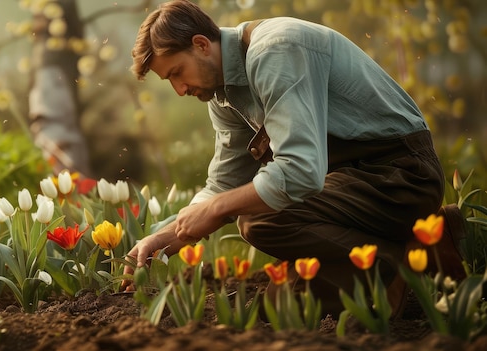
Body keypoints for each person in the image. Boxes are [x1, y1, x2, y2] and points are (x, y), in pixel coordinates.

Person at [122, 0, 465, 318]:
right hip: (351, 185)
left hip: (400, 176)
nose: (180, 90)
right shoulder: (221, 92)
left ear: (200, 44)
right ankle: (428, 245)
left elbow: (300, 172)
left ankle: (406, 262)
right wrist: (166, 238)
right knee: (282, 301)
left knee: (261, 221)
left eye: (177, 73)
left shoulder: (275, 50)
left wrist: (217, 209)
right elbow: (225, 182)